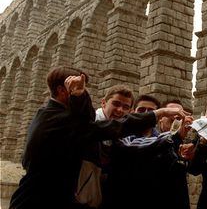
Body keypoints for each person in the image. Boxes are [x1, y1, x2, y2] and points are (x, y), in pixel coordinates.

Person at [9, 66, 185, 209]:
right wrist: (158, 114)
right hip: (39, 201)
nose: (84, 92)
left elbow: (87, 120)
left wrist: (78, 95)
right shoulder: (58, 120)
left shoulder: (52, 114)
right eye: (79, 89)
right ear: (62, 91)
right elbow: (103, 126)